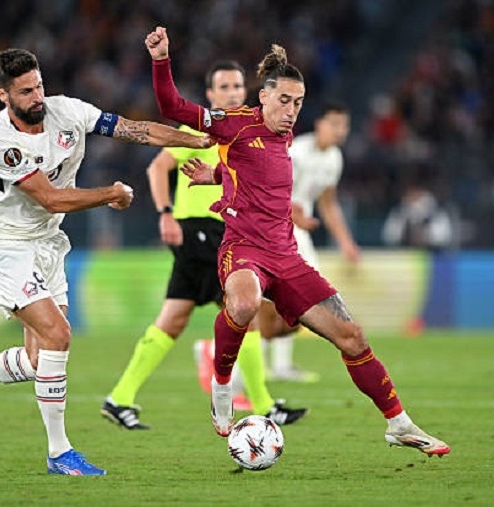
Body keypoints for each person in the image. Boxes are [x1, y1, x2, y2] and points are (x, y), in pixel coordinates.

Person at [146, 26, 450, 456]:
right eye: (284, 100)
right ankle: (222, 384)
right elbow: (171, 106)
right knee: (244, 304)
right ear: (264, 97)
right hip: (243, 249)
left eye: (298, 103)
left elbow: (256, 172)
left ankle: (399, 424)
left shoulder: (284, 134)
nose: (291, 111)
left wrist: (216, 175)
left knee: (352, 337)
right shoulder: (234, 123)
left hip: (286, 256)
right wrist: (161, 59)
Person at [0, 48, 215, 477]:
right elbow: (50, 198)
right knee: (59, 335)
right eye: (26, 92)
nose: (37, 97)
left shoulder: (68, 111)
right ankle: (59, 452)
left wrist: (195, 140)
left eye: (39, 86)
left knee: (38, 359)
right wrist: (110, 194)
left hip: (48, 242)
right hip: (8, 246)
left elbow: (135, 130)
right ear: (3, 95)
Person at [101, 60, 307, 430]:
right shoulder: (199, 130)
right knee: (243, 314)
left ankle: (120, 398)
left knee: (174, 318)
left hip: (221, 232)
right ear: (210, 94)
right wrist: (165, 213)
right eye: (223, 87)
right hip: (202, 231)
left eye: (237, 86)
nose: (232, 93)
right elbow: (156, 168)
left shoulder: (246, 130)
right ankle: (264, 405)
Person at [258, 100, 360, 383]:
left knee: (293, 296)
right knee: (277, 297)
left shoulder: (334, 158)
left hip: (298, 231)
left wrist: (346, 242)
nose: (340, 130)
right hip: (275, 227)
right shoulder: (297, 152)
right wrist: (294, 216)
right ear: (319, 125)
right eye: (334, 124)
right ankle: (246, 363)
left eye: (344, 125)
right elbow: (272, 191)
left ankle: (279, 365)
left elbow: (328, 204)